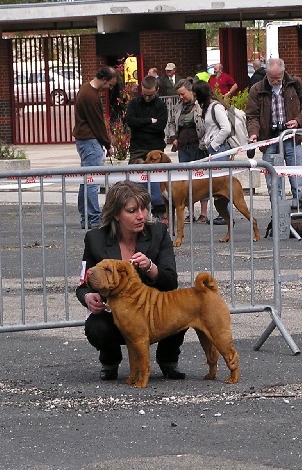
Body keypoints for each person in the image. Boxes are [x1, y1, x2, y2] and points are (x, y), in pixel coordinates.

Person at [76, 180, 187, 381]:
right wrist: (87, 296)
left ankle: (168, 361)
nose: (141, 216)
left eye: (144, 208)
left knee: (181, 308)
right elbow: (83, 283)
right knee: (96, 327)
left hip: (154, 313)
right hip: (116, 314)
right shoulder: (95, 239)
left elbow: (171, 282)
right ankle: (110, 361)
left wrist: (150, 267)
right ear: (116, 214)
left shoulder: (159, 233)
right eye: (132, 210)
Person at [245, 57, 302, 208]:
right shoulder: (257, 89)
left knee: (296, 178)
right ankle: (277, 209)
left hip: (291, 138)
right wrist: (254, 133)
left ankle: (300, 207)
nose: (275, 81)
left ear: (284, 72)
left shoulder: (295, 84)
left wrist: (297, 121)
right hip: (269, 140)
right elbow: (252, 116)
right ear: (266, 73)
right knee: (273, 181)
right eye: (271, 78)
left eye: (278, 77)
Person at [72, 66, 117, 230]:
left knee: (86, 179)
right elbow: (97, 123)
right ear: (104, 79)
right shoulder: (91, 96)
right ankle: (93, 217)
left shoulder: (85, 89)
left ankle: (86, 216)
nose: (109, 89)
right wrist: (107, 144)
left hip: (84, 140)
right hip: (90, 141)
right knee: (92, 181)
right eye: (110, 85)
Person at [125, 75, 168, 220]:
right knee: (135, 184)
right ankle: (136, 212)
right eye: (144, 94)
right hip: (137, 149)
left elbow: (160, 127)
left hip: (156, 149)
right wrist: (149, 121)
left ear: (157, 90)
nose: (147, 98)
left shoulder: (161, 105)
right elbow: (130, 121)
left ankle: (160, 211)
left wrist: (141, 125)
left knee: (157, 184)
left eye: (150, 95)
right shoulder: (134, 103)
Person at [166, 78, 210, 223]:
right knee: (185, 181)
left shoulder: (200, 106)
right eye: (179, 95)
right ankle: (190, 213)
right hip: (183, 147)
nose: (181, 97)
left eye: (183, 94)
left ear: (191, 91)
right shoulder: (178, 107)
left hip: (198, 146)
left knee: (201, 180)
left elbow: (206, 124)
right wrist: (173, 137)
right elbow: (172, 122)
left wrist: (204, 142)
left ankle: (203, 213)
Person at [194, 80, 233, 225]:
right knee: (217, 182)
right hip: (213, 149)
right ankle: (224, 214)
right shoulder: (209, 107)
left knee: (221, 183)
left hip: (220, 149)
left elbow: (226, 128)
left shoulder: (216, 107)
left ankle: (226, 214)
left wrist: (215, 144)